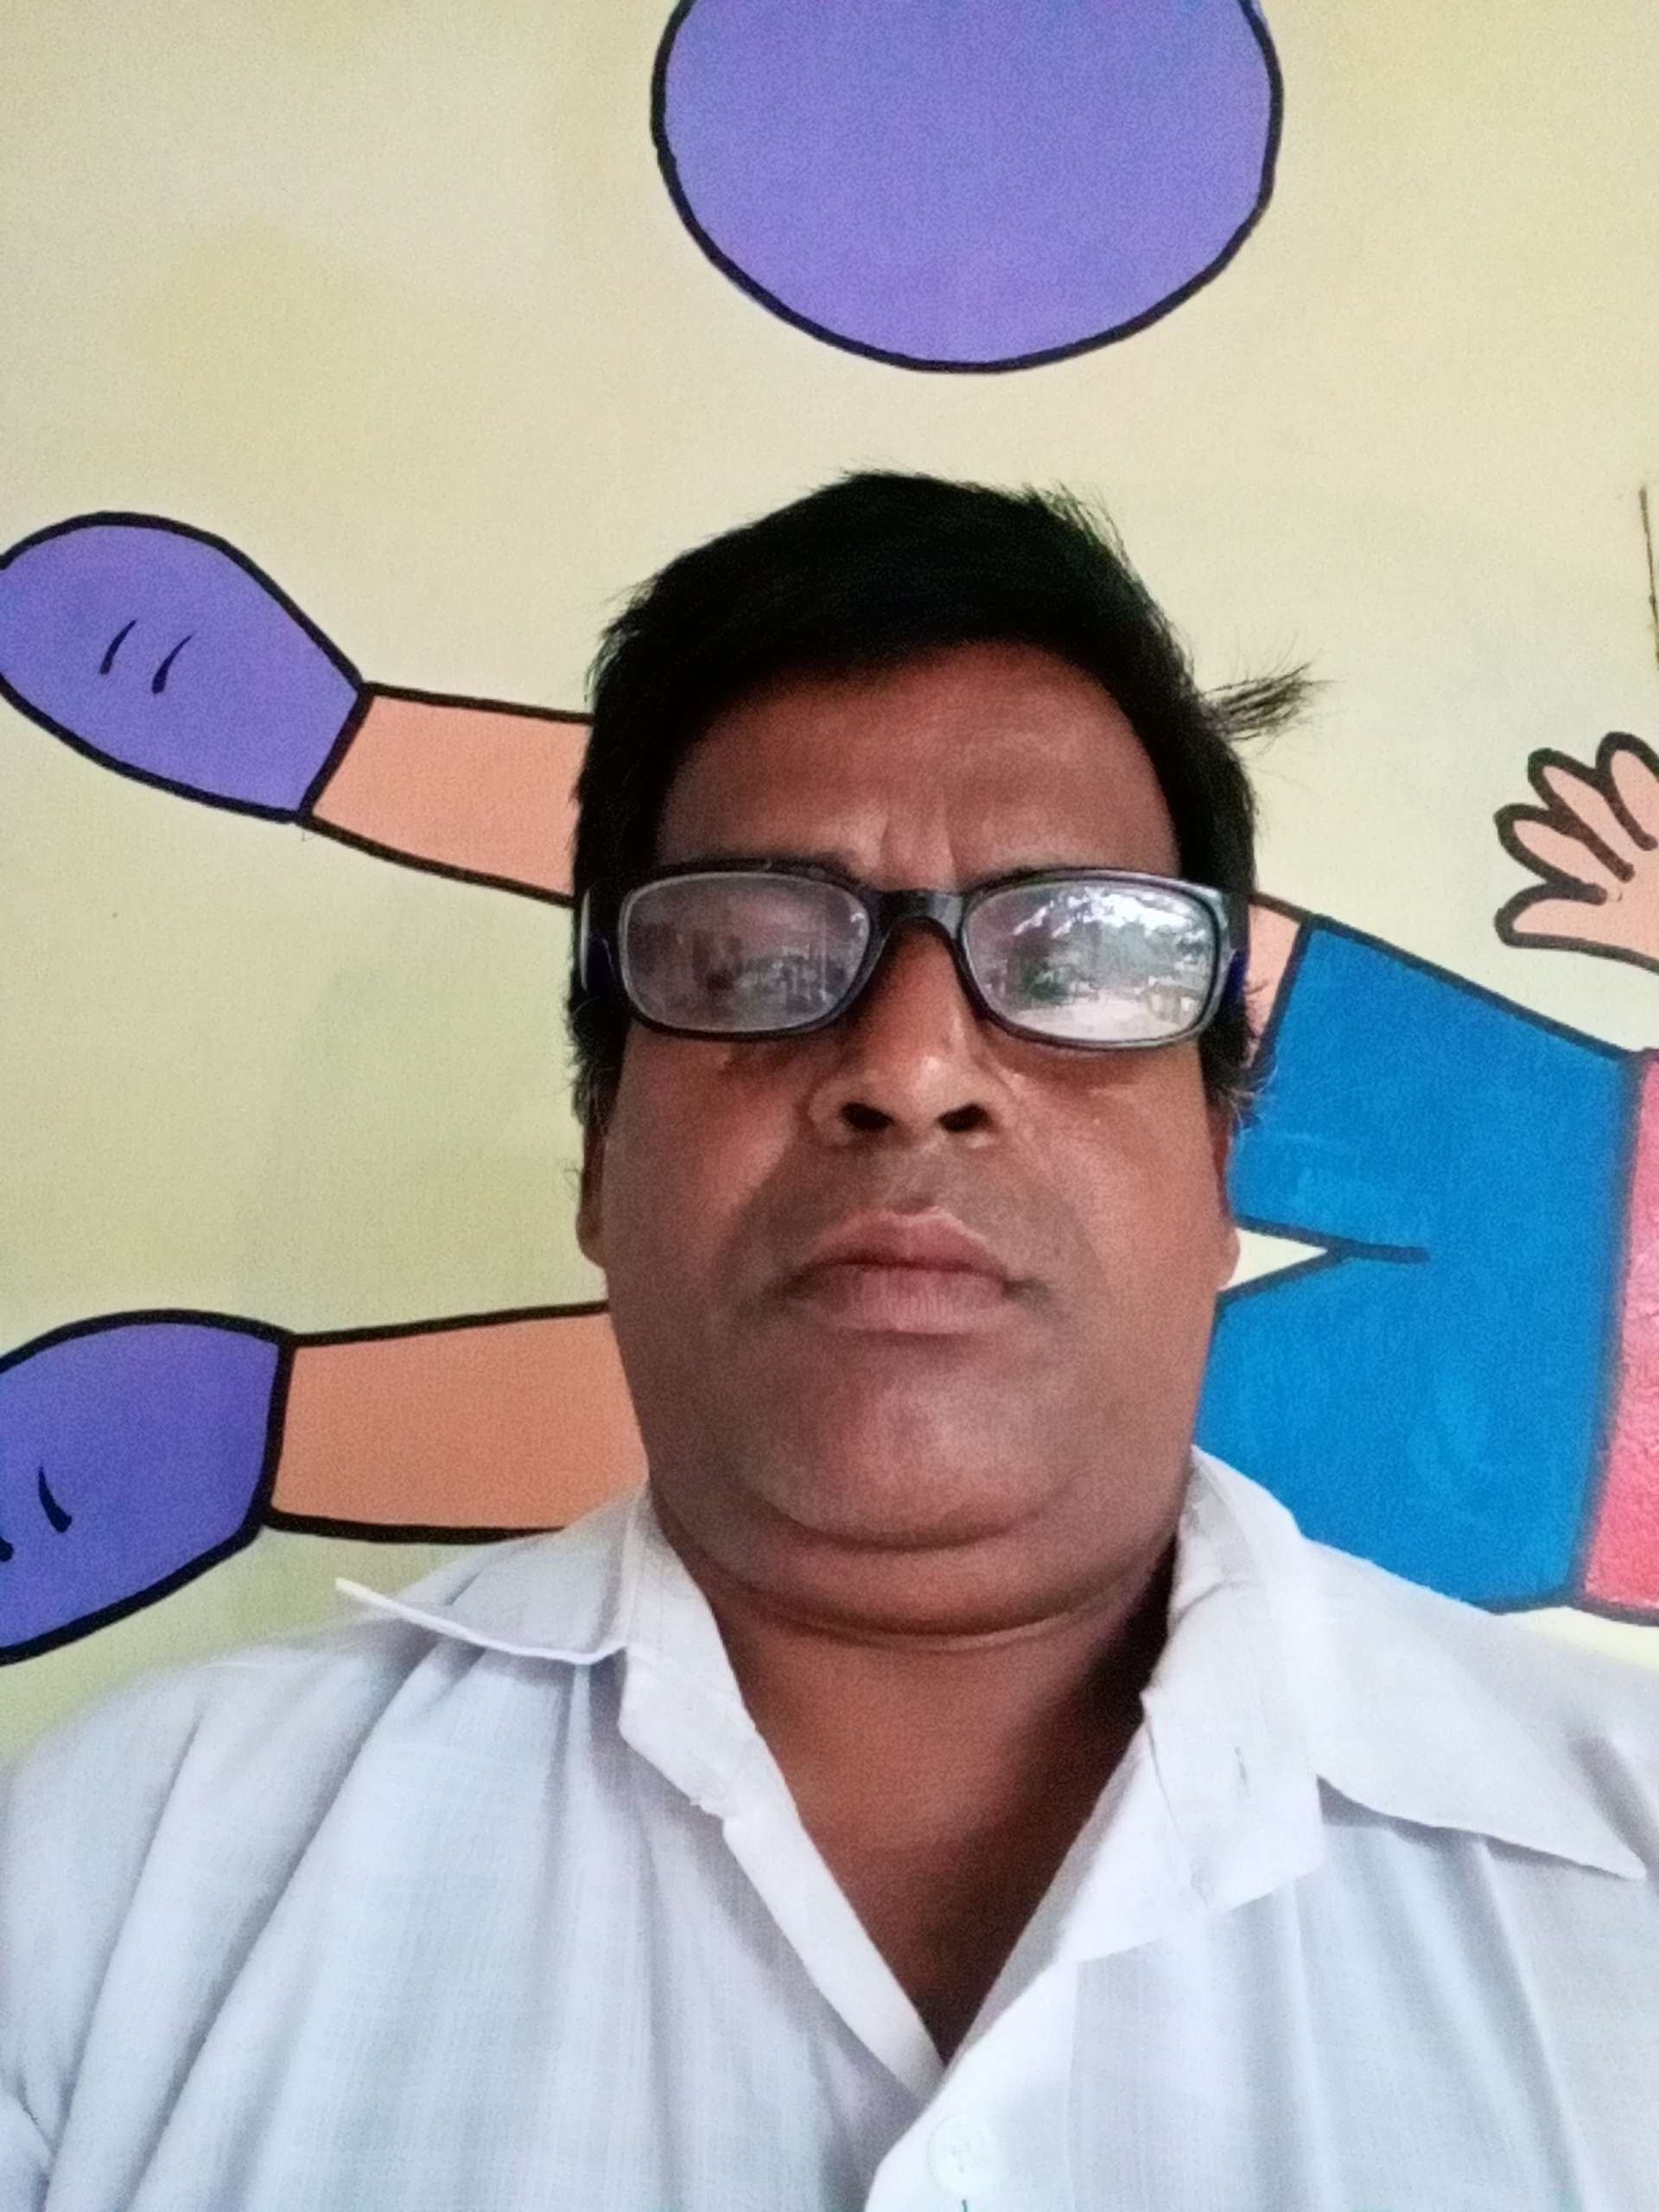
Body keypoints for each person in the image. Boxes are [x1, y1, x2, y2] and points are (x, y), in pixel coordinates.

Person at [2, 472, 1656, 2210]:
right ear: (600, 1156)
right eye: (744, 955)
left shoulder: (1617, 1882)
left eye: (1080, 957)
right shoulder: (118, 1888)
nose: (914, 1064)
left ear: (1221, 1160)